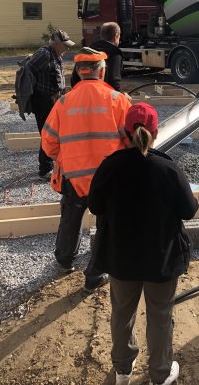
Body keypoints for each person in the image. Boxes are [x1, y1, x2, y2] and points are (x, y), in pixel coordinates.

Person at [88, 103, 198, 385]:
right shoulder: (168, 168)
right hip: (161, 260)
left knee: (122, 313)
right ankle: (160, 374)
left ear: (124, 133)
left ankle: (123, 370)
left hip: (121, 259)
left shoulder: (110, 166)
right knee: (161, 316)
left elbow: (95, 206)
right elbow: (189, 209)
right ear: (156, 132)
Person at [41, 48, 132, 291]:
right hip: (107, 178)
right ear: (101, 71)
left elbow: (48, 143)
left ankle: (64, 259)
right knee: (105, 223)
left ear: (80, 73)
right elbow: (131, 140)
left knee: (71, 218)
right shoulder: (117, 100)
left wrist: (68, 157)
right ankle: (94, 275)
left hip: (73, 175)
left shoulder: (64, 102)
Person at [27, 29, 75, 180]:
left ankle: (50, 166)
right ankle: (45, 170)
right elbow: (28, 69)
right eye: (65, 45)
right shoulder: (45, 53)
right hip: (43, 100)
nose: (67, 48)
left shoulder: (55, 54)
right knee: (47, 134)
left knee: (53, 132)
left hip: (52, 99)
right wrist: (36, 89)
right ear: (56, 43)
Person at [72, 22, 124, 91]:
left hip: (83, 94)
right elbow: (114, 81)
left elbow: (74, 78)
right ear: (116, 36)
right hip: (105, 97)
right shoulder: (114, 54)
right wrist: (120, 95)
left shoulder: (87, 51)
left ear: (101, 35)